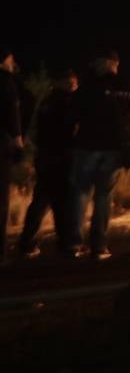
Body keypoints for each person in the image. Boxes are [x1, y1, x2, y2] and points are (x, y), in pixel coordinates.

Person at [67, 49, 130, 259]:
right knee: (104, 196)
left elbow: (71, 115)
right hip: (113, 150)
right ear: (116, 64)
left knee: (80, 193)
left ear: (104, 63)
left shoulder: (87, 87)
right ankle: (99, 246)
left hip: (86, 146)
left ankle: (74, 243)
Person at [17, 68, 79, 257]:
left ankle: (27, 242)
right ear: (68, 83)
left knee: (40, 201)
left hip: (44, 156)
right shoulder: (70, 103)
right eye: (74, 83)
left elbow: (37, 131)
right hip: (62, 157)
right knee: (62, 203)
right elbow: (73, 130)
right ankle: (67, 244)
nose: (76, 87)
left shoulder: (46, 102)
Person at [1, 44, 25, 264]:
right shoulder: (6, 82)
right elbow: (12, 114)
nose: (13, 63)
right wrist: (19, 143)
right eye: (10, 59)